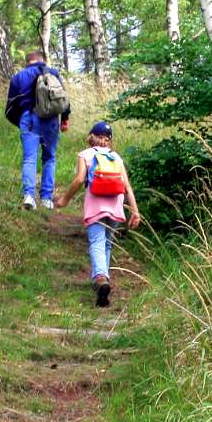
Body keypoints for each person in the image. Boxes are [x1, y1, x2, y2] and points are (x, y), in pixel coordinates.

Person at [54, 120, 140, 306]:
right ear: (110, 140)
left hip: (96, 206)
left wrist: (65, 199)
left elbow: (79, 180)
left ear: (91, 137)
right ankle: (103, 282)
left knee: (96, 242)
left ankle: (101, 278)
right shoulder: (116, 157)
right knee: (106, 244)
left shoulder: (85, 154)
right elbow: (126, 187)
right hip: (115, 205)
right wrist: (135, 211)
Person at [5, 49, 70, 210]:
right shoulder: (53, 73)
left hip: (28, 119)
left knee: (29, 158)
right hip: (51, 119)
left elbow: (9, 109)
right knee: (49, 158)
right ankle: (46, 198)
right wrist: (65, 118)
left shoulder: (18, 77)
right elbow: (63, 98)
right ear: (42, 60)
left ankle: (29, 196)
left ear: (27, 62)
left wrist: (21, 122)